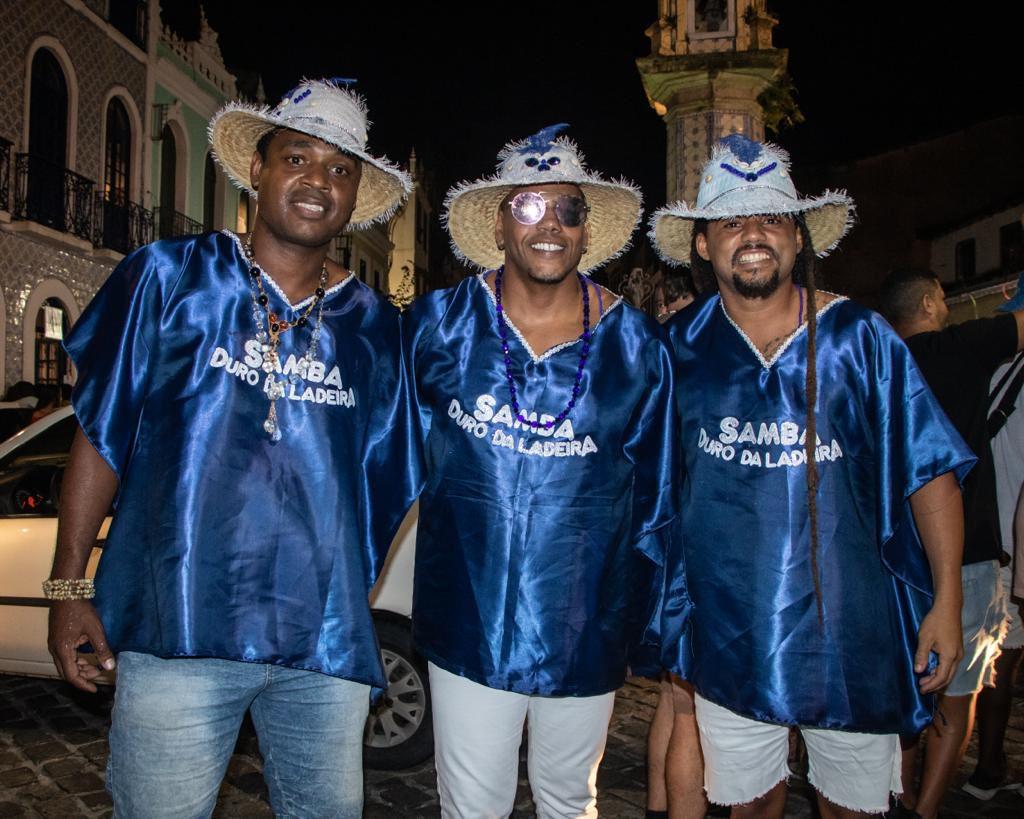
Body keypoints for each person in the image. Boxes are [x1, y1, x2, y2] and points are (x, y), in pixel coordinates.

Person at [45, 78, 415, 819]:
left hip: (323, 649)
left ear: (354, 195)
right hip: (179, 629)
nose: (319, 182)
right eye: (299, 158)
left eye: (340, 169)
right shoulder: (170, 278)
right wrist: (67, 586)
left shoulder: (376, 328)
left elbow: (385, 479)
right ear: (258, 168)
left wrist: (340, 589)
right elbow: (100, 435)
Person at [651, 134, 974, 819]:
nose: (754, 234)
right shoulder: (677, 353)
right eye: (732, 220)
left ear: (797, 237)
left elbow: (930, 474)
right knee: (751, 804)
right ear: (704, 244)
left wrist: (947, 600)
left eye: (770, 216)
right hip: (729, 626)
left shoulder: (862, 339)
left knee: (851, 807)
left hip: (851, 629)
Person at [404, 124, 680, 818]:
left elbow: (661, 495)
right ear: (500, 225)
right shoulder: (439, 326)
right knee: (472, 805)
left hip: (584, 625)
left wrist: (659, 622)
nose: (549, 224)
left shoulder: (639, 348)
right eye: (527, 206)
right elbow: (384, 458)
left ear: (588, 232)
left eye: (568, 209)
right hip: (469, 621)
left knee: (569, 799)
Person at [879, 267, 1024, 817]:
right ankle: (926, 810)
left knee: (902, 699)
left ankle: (898, 797)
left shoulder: (880, 361)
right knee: (956, 698)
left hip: (897, 555)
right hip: (968, 553)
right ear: (929, 302)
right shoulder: (960, 346)